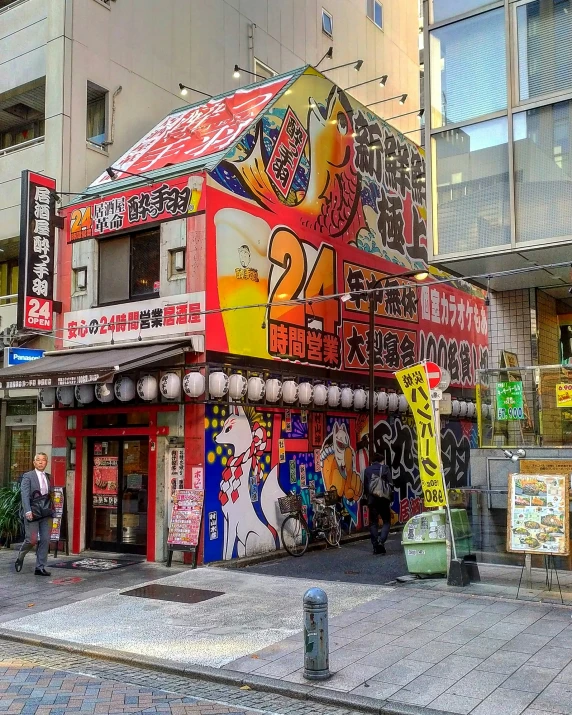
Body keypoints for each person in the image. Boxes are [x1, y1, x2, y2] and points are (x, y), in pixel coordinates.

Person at [14, 453, 53, 576]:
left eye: (43, 460)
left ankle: (40, 567)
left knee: (45, 540)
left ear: (46, 462)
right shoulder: (28, 476)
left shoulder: (48, 477)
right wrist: (27, 510)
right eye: (38, 460)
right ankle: (21, 554)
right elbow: (24, 494)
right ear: (34, 462)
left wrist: (53, 511)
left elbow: (49, 496)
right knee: (32, 540)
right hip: (32, 513)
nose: (41, 462)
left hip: (45, 513)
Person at [363, 452, 393, 555]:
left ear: (372, 461)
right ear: (381, 460)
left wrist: (367, 499)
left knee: (373, 523)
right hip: (384, 500)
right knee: (386, 521)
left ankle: (375, 546)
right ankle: (382, 540)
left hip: (372, 500)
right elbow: (390, 484)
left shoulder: (367, 470)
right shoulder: (385, 468)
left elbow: (366, 487)